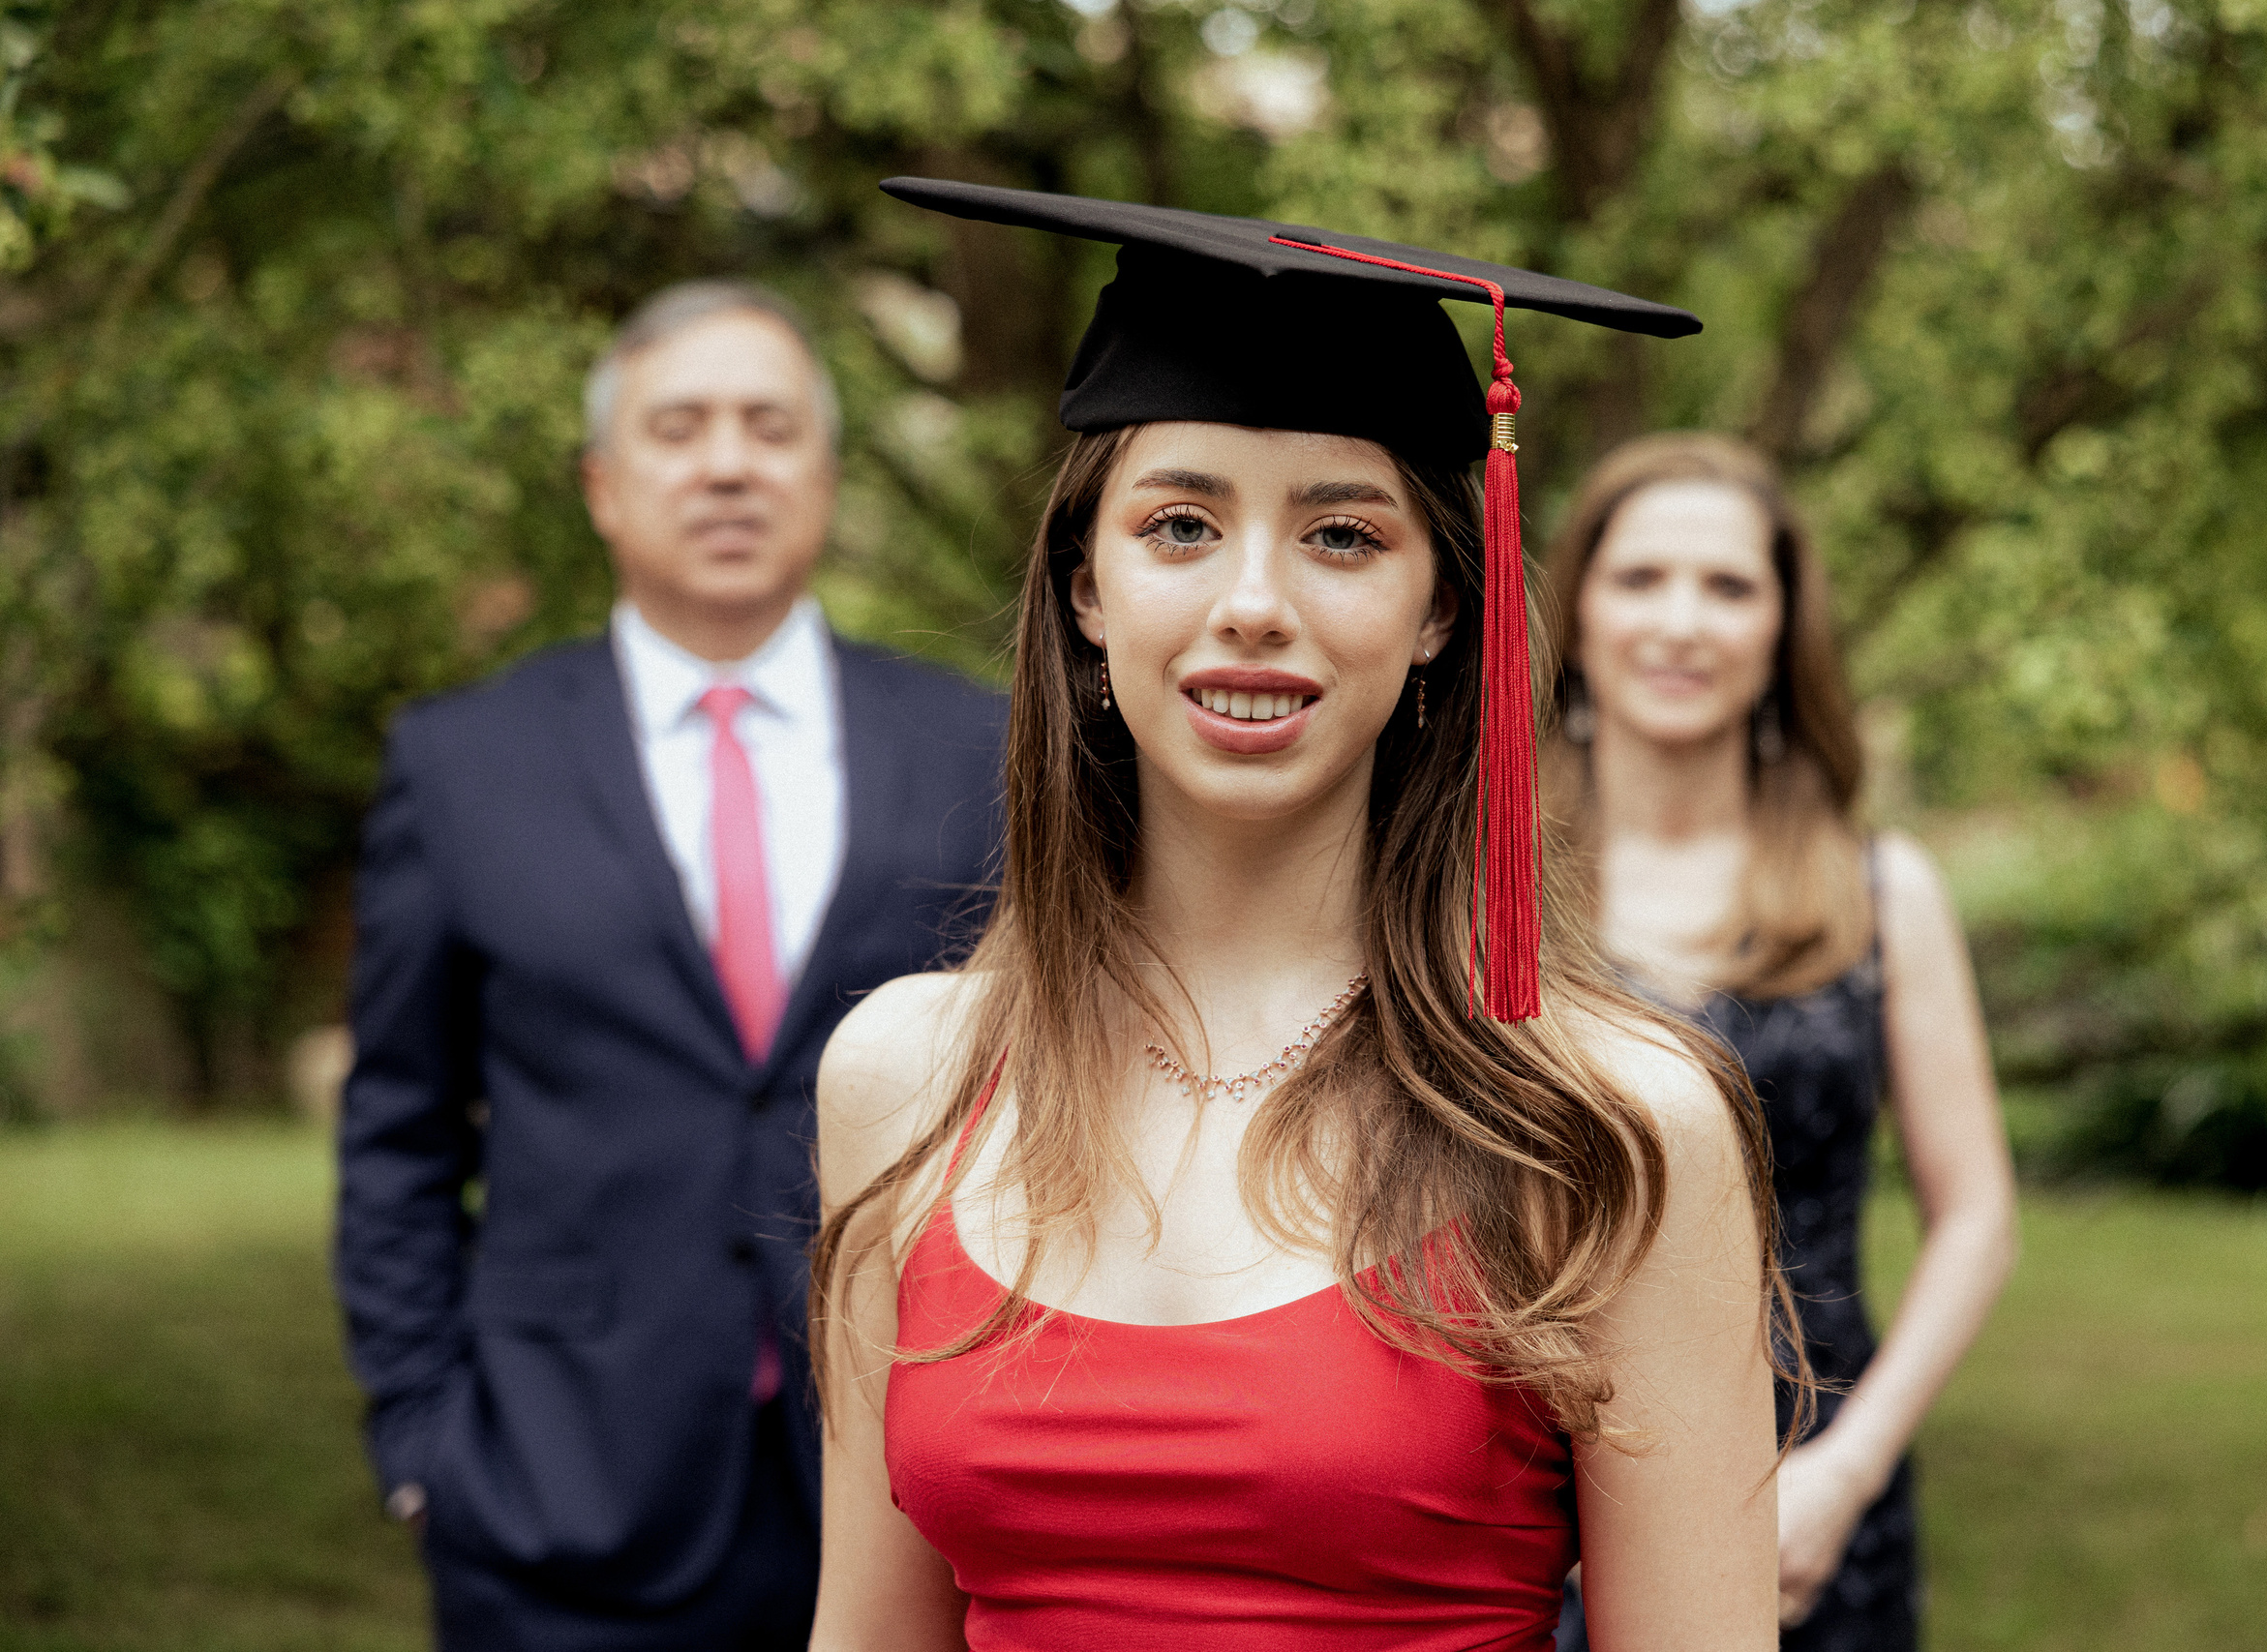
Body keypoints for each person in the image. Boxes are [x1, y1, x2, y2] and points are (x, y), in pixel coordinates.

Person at [801, 179, 1798, 1652]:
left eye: (1342, 535)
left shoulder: (1601, 1125)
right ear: (1087, 589)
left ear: (1439, 611)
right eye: (1182, 523)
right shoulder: (908, 1077)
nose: (1253, 600)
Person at [333, 280, 1006, 1649]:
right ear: (603, 485)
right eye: (678, 426)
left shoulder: (977, 749)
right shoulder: (463, 763)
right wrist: (422, 1440)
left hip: (905, 1482)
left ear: (823, 472)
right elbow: (396, 1128)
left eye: (769, 425)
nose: (726, 462)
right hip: (553, 1493)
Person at [1539, 434, 2018, 1651]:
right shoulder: (1487, 887)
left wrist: (1847, 1475)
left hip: (1811, 1490)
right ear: (1578, 609)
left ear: (1781, 630)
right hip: (1534, 1490)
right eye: (1641, 579)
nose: (1682, 622)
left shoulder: (1878, 890)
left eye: (1729, 586)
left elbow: (1975, 1219)